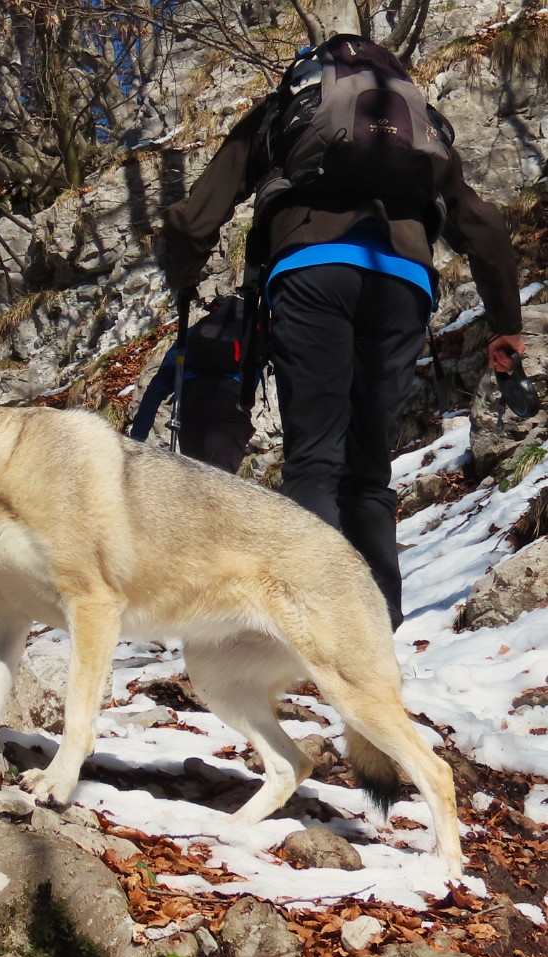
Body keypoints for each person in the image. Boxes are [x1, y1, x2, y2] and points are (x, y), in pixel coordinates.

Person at [160, 34, 525, 629]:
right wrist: (505, 324)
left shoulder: (286, 108)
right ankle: (378, 627)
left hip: (312, 273)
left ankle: (313, 624)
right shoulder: (418, 121)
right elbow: (481, 226)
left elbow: (195, 215)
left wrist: (181, 272)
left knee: (314, 457)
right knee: (370, 467)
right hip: (403, 281)